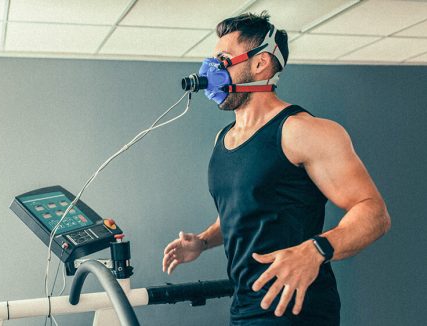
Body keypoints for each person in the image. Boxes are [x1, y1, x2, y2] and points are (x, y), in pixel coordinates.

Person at [162, 12, 391, 326]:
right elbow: (245, 208)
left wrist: (316, 250)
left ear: (260, 63)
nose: (211, 70)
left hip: (296, 310)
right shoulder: (223, 138)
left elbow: (374, 213)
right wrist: (203, 241)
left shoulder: (302, 131)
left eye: (224, 59)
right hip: (244, 307)